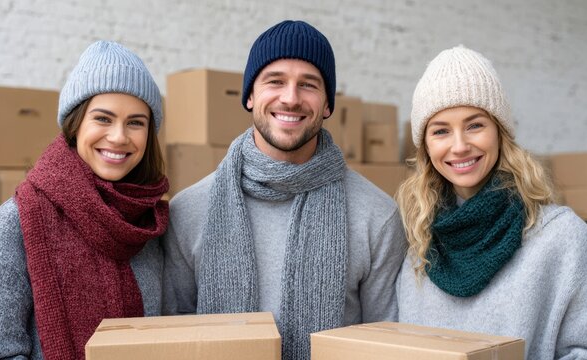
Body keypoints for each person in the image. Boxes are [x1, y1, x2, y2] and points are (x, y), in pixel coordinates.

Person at [163, 20, 406, 360]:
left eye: (308, 85)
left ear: (327, 105)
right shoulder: (189, 211)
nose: (291, 98)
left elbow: (387, 348)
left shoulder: (377, 215)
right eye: (275, 81)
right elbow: (172, 339)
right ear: (249, 95)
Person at [396, 45, 587, 359]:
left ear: (500, 132)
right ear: (426, 147)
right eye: (441, 131)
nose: (460, 146)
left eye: (475, 125)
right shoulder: (420, 248)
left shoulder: (561, 238)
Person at [0, 41, 169, 359]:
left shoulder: (149, 224)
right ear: (75, 125)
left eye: (135, 122)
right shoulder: (17, 223)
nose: (119, 136)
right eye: (103, 119)